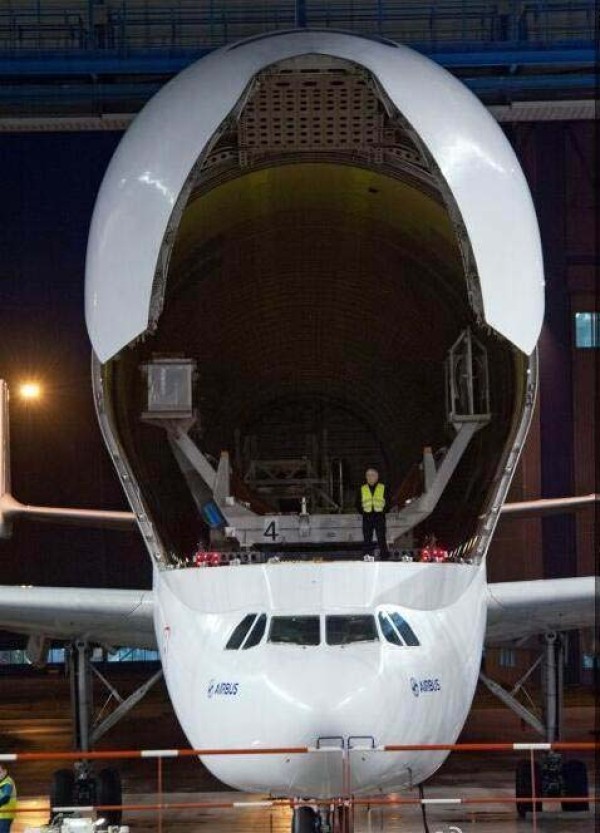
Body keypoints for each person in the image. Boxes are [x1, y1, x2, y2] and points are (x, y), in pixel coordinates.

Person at [357, 467, 389, 560]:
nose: (370, 477)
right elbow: (357, 503)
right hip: (367, 516)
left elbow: (388, 502)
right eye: (368, 475)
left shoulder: (383, 488)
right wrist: (363, 512)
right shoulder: (362, 488)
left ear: (377, 477)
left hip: (379, 516)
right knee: (367, 539)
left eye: (372, 475)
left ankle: (384, 557)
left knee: (381, 538)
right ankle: (367, 557)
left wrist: (383, 511)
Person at [0, 764, 17, 832]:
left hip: (5, 815)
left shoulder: (7, 782)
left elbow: (6, 797)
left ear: (5, 772)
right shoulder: (2, 781)